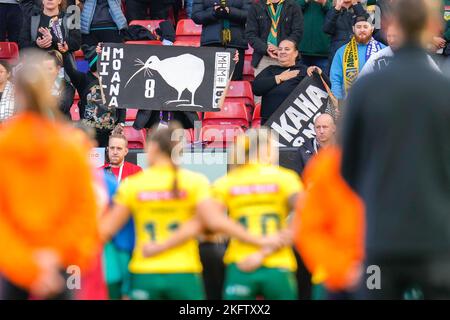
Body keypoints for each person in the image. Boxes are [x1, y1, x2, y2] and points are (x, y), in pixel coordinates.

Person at [341, 0, 450, 299]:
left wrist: (375, 197)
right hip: (437, 239)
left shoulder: (367, 87)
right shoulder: (444, 88)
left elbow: (347, 166)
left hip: (381, 239)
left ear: (390, 27)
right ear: (434, 28)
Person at [99, 122, 282, 300]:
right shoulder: (195, 182)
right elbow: (214, 223)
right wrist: (259, 240)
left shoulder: (134, 184)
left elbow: (106, 230)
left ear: (152, 149)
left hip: (145, 270)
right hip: (184, 270)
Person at [0, 51, 99, 300]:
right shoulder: (71, 147)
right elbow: (85, 211)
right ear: (48, 91)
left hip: (13, 266)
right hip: (59, 264)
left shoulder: (4, 146)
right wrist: (55, 257)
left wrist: (27, 264)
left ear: (18, 93)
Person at [211, 129, 302, 300]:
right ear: (269, 149)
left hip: (241, 262)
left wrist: (252, 240)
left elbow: (210, 220)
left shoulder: (229, 181)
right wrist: (280, 239)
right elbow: (308, 212)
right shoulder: (285, 178)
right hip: (278, 261)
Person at [293, 146, 365, 298]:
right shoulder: (327, 165)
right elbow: (308, 229)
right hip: (337, 274)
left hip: (385, 269)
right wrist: (341, 269)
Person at [101, 126, 142, 299]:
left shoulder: (136, 172)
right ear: (107, 150)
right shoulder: (99, 173)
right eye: (112, 148)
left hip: (129, 233)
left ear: (126, 151)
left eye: (119, 149)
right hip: (107, 236)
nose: (115, 152)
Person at [63, 43, 126, 147]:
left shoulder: (114, 78)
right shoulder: (83, 79)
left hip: (110, 134)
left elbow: (121, 103)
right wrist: (65, 53)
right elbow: (70, 70)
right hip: (89, 134)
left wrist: (121, 123)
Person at [252, 39, 324, 125]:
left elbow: (323, 91)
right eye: (280, 49)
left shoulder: (305, 71)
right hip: (269, 124)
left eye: (287, 49)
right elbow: (256, 88)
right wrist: (279, 78)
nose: (282, 52)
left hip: (294, 127)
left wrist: (318, 74)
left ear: (296, 53)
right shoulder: (270, 70)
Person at [330, 14, 385, 101]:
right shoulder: (341, 52)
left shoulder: (384, 50)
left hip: (378, 103)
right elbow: (336, 79)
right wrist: (338, 101)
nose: (362, 30)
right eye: (358, 27)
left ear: (372, 28)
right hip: (349, 104)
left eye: (365, 26)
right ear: (353, 29)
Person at [192, 0, 251, 81]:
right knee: (210, 80)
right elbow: (196, 16)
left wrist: (230, 11)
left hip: (236, 43)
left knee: (234, 81)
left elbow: (249, 15)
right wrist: (214, 12)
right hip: (211, 42)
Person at [245, 0, 304, 76]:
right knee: (262, 87)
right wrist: (266, 49)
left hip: (287, 58)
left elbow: (298, 32)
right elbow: (250, 34)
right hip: (263, 59)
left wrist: (281, 49)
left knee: (287, 87)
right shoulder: (256, 7)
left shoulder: (293, 6)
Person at [359, 22, 440, 76]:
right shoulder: (377, 57)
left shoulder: (420, 57)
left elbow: (438, 80)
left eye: (395, 36)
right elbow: (360, 82)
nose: (391, 40)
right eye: (389, 36)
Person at [323, 0, 367, 70]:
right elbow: (327, 29)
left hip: (357, 54)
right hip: (338, 54)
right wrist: (337, 9)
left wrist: (355, 4)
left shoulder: (359, 9)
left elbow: (367, 26)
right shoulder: (333, 10)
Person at [297, 0, 332, 74]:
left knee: (323, 82)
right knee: (299, 82)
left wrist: (324, 3)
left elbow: (335, 14)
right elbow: (292, 10)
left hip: (323, 51)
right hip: (301, 50)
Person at [43, 50, 75, 119]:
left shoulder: (67, 87)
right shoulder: (38, 86)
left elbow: (62, 107)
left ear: (58, 69)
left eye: (49, 69)